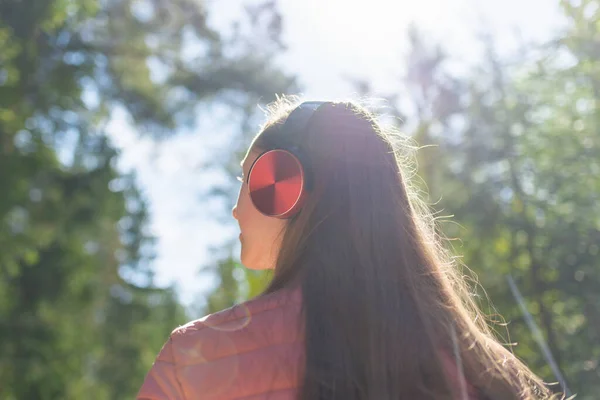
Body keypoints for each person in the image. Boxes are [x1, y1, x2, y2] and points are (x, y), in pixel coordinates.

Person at [137, 97, 557, 400]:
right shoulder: (481, 369)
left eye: (249, 181)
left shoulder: (196, 357)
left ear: (285, 187)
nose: (234, 209)